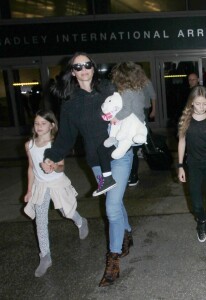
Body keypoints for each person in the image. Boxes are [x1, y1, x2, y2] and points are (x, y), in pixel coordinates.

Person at [41, 52, 134, 287]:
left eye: (88, 65)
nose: (84, 69)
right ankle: (127, 232)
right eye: (78, 66)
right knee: (116, 200)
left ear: (93, 67)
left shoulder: (109, 89)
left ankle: (113, 260)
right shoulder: (70, 102)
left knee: (111, 206)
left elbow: (131, 109)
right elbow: (66, 137)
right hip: (96, 162)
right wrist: (51, 156)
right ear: (72, 71)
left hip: (120, 156)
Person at [24, 109, 89, 278]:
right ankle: (45, 256)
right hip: (40, 186)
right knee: (40, 221)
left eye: (43, 123)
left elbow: (62, 167)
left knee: (65, 211)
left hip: (57, 183)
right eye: (37, 123)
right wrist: (29, 190)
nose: (39, 126)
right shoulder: (29, 145)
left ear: (52, 125)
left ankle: (81, 221)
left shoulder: (55, 145)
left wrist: (53, 166)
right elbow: (31, 168)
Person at [177, 86, 206, 249]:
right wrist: (180, 166)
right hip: (193, 164)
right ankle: (202, 221)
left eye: (205, 103)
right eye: (198, 103)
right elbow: (181, 142)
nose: (202, 107)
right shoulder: (186, 119)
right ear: (191, 103)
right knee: (196, 203)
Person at [95, 62, 147, 191]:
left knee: (119, 140)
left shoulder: (126, 91)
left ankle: (110, 173)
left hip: (130, 122)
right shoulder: (138, 89)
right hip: (139, 122)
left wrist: (114, 117)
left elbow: (126, 110)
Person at [129, 78, 157, 186]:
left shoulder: (145, 81)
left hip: (143, 109)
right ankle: (140, 148)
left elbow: (153, 96)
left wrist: (153, 110)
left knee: (143, 130)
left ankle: (142, 147)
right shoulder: (129, 82)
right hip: (133, 111)